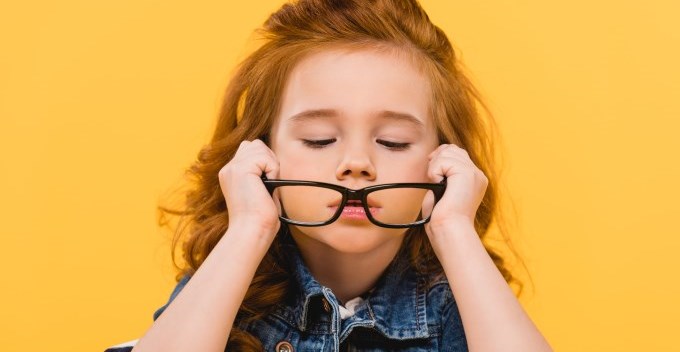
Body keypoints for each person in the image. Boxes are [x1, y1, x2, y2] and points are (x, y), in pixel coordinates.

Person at [105, 0, 553, 351]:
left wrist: (454, 229)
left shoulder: (459, 301)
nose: (356, 162)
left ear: (443, 162)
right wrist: (249, 227)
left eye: (393, 142)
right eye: (320, 139)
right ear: (263, 154)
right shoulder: (229, 287)